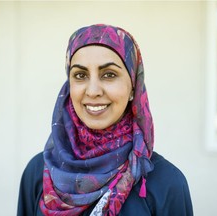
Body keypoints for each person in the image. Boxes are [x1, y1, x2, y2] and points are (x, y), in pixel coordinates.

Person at [17, 24, 193, 216]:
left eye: (109, 75)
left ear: (134, 86)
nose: (93, 91)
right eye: (80, 75)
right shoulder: (38, 173)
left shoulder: (165, 182)